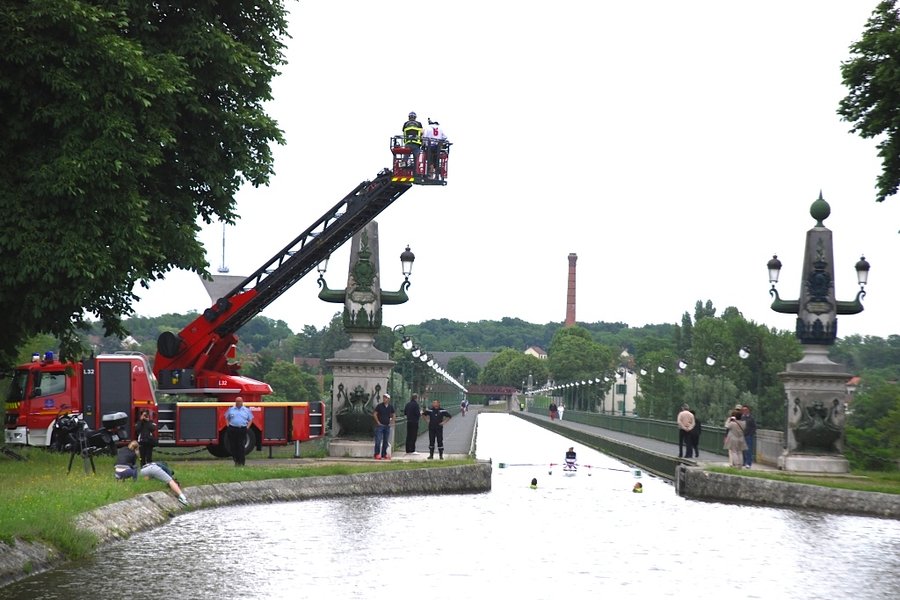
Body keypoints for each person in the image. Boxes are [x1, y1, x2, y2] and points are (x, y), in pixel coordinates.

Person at [224, 396, 254, 467]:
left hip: (242, 429)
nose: (238, 402)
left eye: (240, 401)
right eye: (237, 401)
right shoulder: (231, 409)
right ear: (235, 402)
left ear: (242, 402)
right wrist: (228, 426)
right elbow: (226, 418)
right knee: (233, 446)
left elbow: (251, 419)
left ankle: (242, 462)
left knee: (241, 446)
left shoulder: (246, 410)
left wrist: (247, 427)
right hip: (232, 429)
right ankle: (236, 461)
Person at [373, 392, 395, 460]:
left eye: (386, 398)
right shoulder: (379, 406)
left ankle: (384, 454)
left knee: (385, 441)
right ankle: (377, 454)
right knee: (378, 440)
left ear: (388, 399)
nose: (384, 399)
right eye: (384, 397)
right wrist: (378, 422)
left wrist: (392, 422)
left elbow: (393, 414)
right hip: (380, 425)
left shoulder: (390, 407)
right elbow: (375, 414)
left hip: (387, 425)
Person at [402, 111, 423, 177]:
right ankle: (416, 173)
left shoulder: (406, 124)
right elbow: (422, 132)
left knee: (405, 158)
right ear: (415, 117)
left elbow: (403, 130)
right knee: (416, 159)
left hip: (408, 143)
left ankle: (402, 170)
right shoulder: (419, 124)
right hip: (416, 144)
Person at [741, 404, 757, 469]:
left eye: (745, 410)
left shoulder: (751, 418)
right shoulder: (742, 417)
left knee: (749, 450)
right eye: (743, 410)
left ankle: (748, 463)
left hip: (748, 436)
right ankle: (744, 462)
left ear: (748, 410)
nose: (744, 411)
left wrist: (751, 433)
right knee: (743, 450)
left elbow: (754, 427)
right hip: (742, 436)